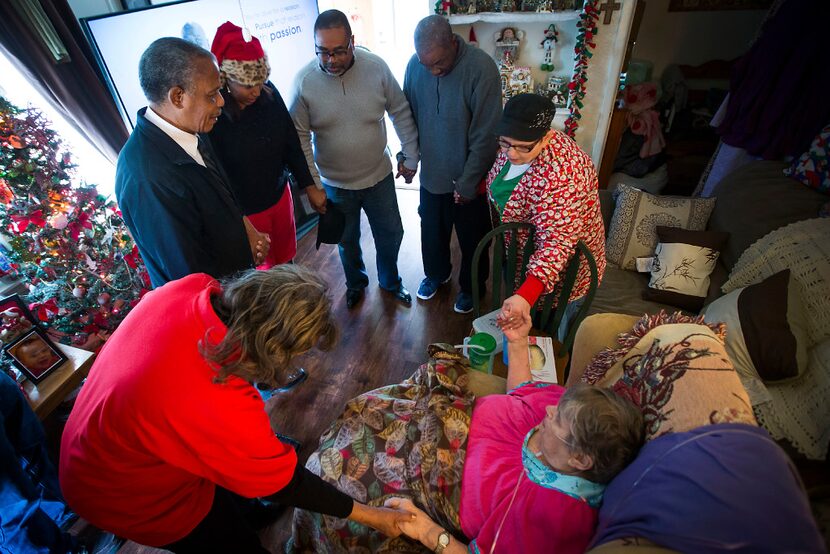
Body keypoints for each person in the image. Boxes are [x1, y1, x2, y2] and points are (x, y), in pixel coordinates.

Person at [59, 266, 412, 553]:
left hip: (94, 435)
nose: (295, 363)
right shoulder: (220, 397)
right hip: (118, 490)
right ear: (272, 348)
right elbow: (285, 483)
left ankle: (249, 512)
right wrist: (374, 517)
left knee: (227, 492)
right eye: (296, 354)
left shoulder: (192, 287)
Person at [289, 301, 644, 553]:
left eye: (559, 420)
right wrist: (518, 343)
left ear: (580, 460)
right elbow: (522, 394)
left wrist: (431, 534)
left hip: (436, 473)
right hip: (444, 415)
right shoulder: (564, 412)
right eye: (558, 405)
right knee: (360, 410)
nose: (549, 412)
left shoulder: (555, 515)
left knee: (332, 478)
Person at [115, 37, 270, 289]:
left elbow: (219, 189)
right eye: (212, 95)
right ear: (178, 97)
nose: (221, 101)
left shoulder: (192, 128)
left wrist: (246, 229)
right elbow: (189, 277)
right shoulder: (147, 178)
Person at [290, 9, 419, 310]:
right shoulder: (304, 82)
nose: (330, 60)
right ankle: (356, 284)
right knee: (347, 240)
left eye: (338, 51)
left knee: (391, 233)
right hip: (335, 184)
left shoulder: (376, 68)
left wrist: (411, 156)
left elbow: (399, 111)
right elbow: (298, 138)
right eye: (322, 52)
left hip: (378, 175)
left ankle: (390, 281)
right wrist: (312, 185)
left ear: (352, 42)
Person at [403, 15, 502, 314]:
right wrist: (406, 158)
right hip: (433, 175)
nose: (432, 71)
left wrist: (469, 180)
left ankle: (472, 288)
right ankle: (436, 274)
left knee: (473, 239)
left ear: (452, 43)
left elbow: (487, 134)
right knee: (431, 231)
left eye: (438, 63)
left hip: (469, 178)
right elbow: (407, 117)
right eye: (425, 64)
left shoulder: (481, 68)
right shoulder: (414, 66)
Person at [487, 94, 606, 339]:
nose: (511, 153)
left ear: (547, 137)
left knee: (549, 337)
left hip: (562, 272)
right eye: (505, 143)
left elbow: (556, 244)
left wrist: (527, 294)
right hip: (523, 257)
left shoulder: (564, 174)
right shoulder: (513, 148)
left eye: (523, 147)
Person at [208, 22, 326, 268]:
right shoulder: (214, 118)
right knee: (264, 274)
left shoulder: (268, 95)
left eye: (261, 82)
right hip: (247, 214)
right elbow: (216, 176)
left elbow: (290, 141)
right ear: (227, 79)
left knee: (287, 262)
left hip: (279, 199)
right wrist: (240, 222)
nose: (256, 91)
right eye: (249, 84)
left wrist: (309, 185)